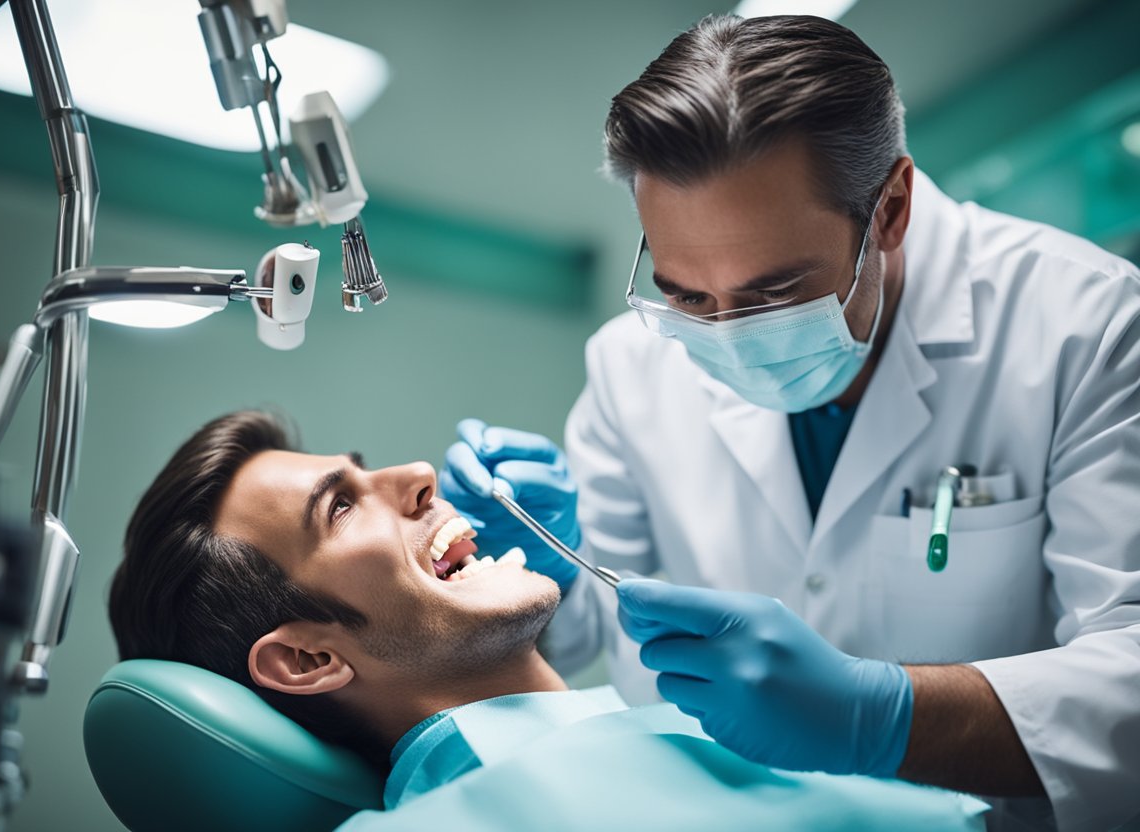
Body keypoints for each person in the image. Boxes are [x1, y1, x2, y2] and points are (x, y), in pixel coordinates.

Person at [439, 13, 1140, 832]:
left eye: (774, 293)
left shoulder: (1085, 325)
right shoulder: (630, 366)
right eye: (686, 295)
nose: (727, 334)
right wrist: (547, 572)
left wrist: (884, 717)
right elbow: (593, 632)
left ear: (891, 210)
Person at [108, 410, 987, 831]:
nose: (417, 473)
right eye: (340, 509)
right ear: (304, 660)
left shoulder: (672, 728)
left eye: (364, 469)